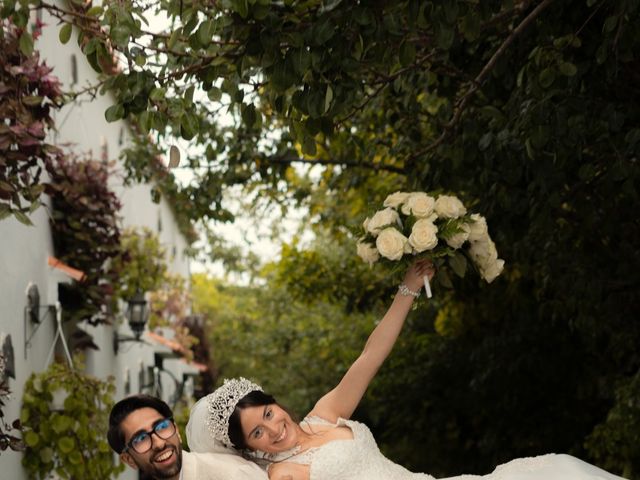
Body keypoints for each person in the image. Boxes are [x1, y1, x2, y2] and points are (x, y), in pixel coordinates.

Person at [187, 260, 627, 480]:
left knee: (559, 470)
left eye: (267, 414)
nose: (273, 428)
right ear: (253, 448)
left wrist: (409, 289)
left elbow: (370, 357)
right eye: (258, 433)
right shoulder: (283, 473)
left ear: (275, 403)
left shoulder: (324, 414)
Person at [108, 394, 268, 480]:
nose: (158, 443)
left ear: (176, 430)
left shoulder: (232, 474)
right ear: (128, 460)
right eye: (140, 439)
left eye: (162, 427)